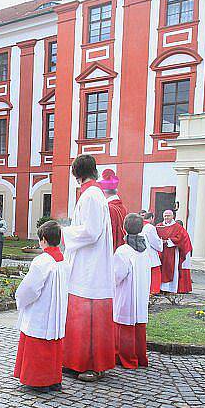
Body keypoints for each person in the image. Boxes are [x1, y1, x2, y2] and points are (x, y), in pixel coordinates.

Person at [61, 154, 116, 382]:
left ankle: (91, 365)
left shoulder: (92, 196)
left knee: (88, 318)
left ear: (77, 174)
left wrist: (63, 232)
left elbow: (91, 232)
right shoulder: (92, 194)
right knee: (79, 317)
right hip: (85, 264)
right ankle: (76, 361)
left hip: (90, 268)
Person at [14, 220, 69, 391]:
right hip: (57, 311)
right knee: (53, 345)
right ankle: (53, 379)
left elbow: (30, 289)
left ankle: (38, 381)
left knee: (37, 343)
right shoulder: (64, 260)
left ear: (43, 239)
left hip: (41, 310)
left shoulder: (42, 261)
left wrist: (20, 300)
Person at [113, 214, 152, 369]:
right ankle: (140, 356)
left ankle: (126, 358)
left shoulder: (123, 251)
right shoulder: (145, 248)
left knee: (125, 326)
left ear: (124, 228)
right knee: (138, 326)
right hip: (141, 294)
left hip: (127, 294)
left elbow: (116, 276)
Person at [156, 210, 193, 294]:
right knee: (161, 268)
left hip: (172, 251)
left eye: (168, 216)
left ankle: (170, 288)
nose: (166, 217)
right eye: (165, 216)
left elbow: (180, 238)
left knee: (171, 268)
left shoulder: (177, 227)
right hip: (161, 251)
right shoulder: (159, 226)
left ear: (173, 216)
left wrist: (169, 241)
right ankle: (161, 288)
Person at [99, 169, 128, 250]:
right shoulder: (122, 207)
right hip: (121, 247)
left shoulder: (108, 208)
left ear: (104, 192)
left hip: (109, 248)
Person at [141, 212, 163, 294]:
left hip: (141, 251)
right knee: (154, 272)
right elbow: (154, 241)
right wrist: (160, 243)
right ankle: (154, 290)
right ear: (151, 218)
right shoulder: (149, 227)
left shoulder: (140, 225)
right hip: (150, 252)